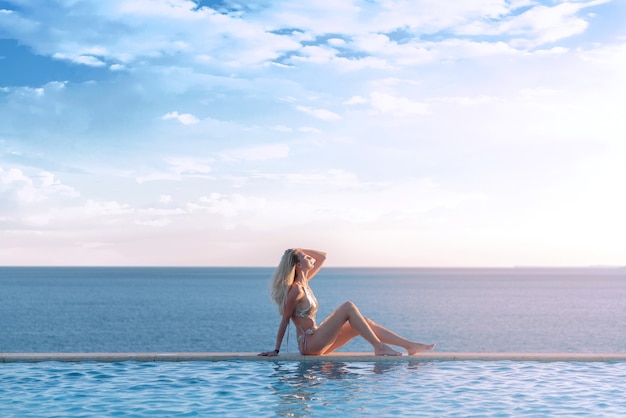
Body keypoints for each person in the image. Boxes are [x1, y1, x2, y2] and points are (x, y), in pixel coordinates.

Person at [258, 248, 435, 356]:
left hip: (317, 338)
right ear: (298, 265)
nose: (310, 258)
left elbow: (323, 256)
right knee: (348, 307)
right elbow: (285, 320)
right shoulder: (296, 289)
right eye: (305, 257)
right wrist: (276, 350)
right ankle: (379, 347)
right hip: (309, 344)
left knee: (365, 322)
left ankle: (410, 346)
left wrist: (298, 249)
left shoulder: (305, 282)